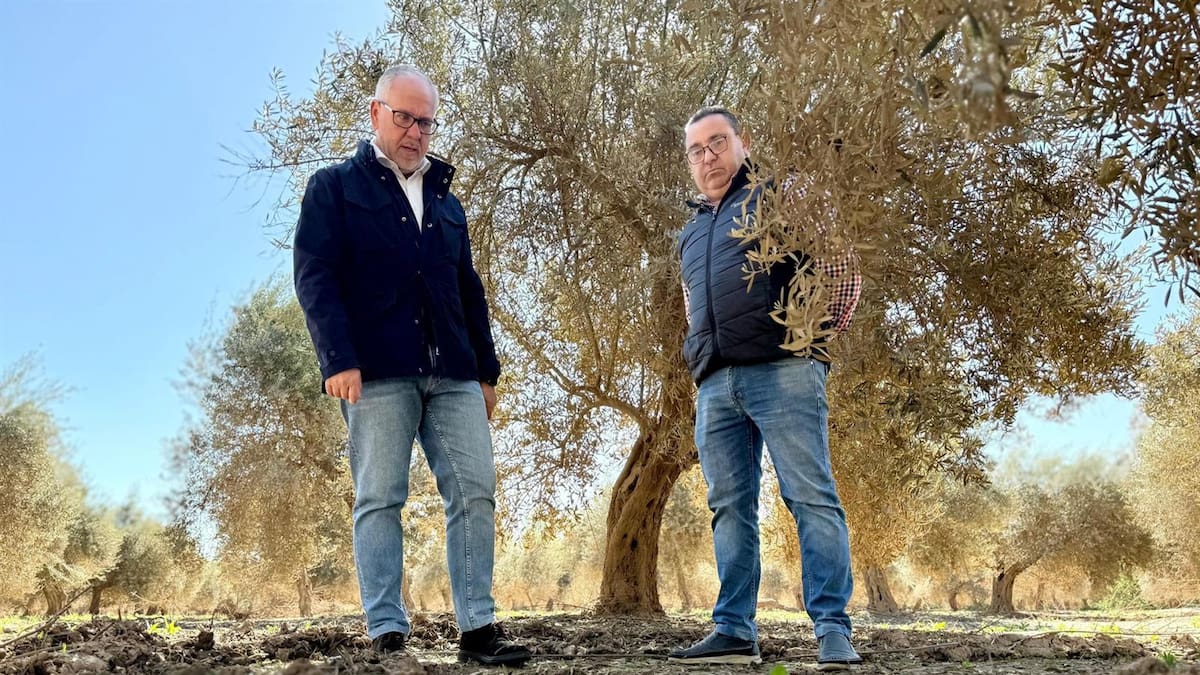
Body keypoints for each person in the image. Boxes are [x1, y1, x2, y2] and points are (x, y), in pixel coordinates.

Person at [293, 64, 530, 667]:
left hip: (452, 372)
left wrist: (486, 371)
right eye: (405, 117)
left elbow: (467, 288)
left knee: (476, 492)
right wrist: (338, 358)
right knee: (379, 497)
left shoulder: (448, 203)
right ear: (376, 114)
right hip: (375, 371)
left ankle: (477, 632)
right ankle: (388, 635)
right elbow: (315, 276)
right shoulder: (334, 188)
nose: (416, 131)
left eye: (426, 121)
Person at [668, 105, 864, 671]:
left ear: (743, 142)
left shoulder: (783, 197)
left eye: (717, 143)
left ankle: (832, 629)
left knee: (810, 497)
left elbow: (843, 268)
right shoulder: (692, 232)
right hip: (715, 384)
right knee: (729, 507)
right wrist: (699, 359)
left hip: (784, 372)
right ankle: (733, 629)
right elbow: (692, 306)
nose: (708, 158)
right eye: (697, 150)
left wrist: (812, 343)